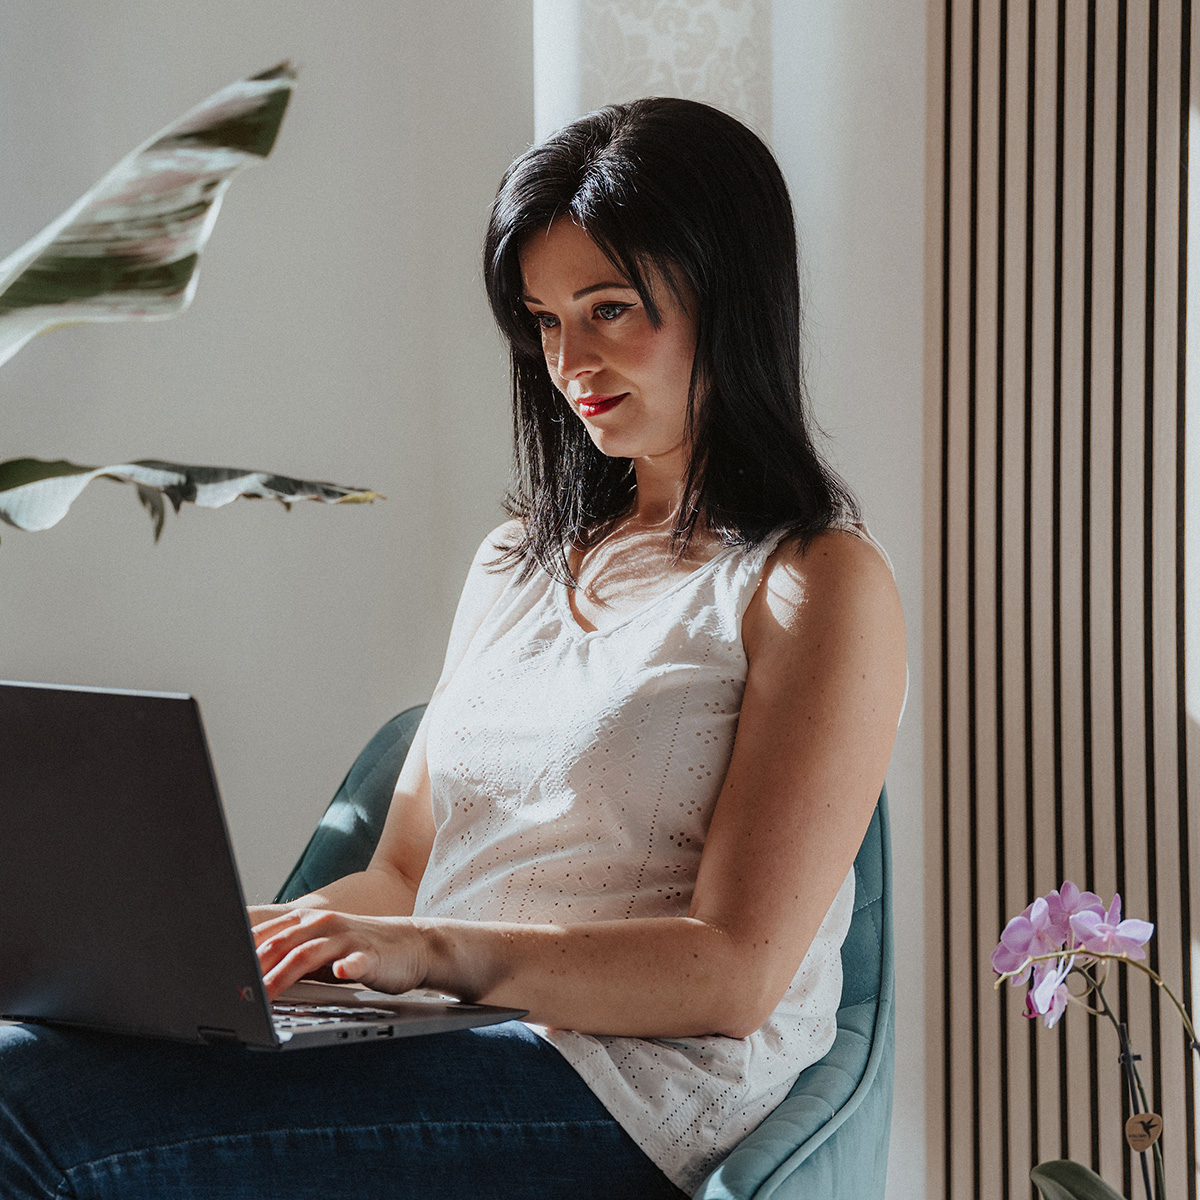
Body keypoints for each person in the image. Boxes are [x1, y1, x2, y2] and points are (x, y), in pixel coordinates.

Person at [0, 98, 905, 1199]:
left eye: (610, 309)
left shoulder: (813, 582)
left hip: (624, 1089)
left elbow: (735, 973)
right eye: (544, 319)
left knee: (22, 1107)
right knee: (23, 1054)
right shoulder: (517, 560)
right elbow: (402, 873)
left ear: (732, 297)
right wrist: (236, 948)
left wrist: (435, 952)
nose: (570, 362)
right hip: (442, 1034)